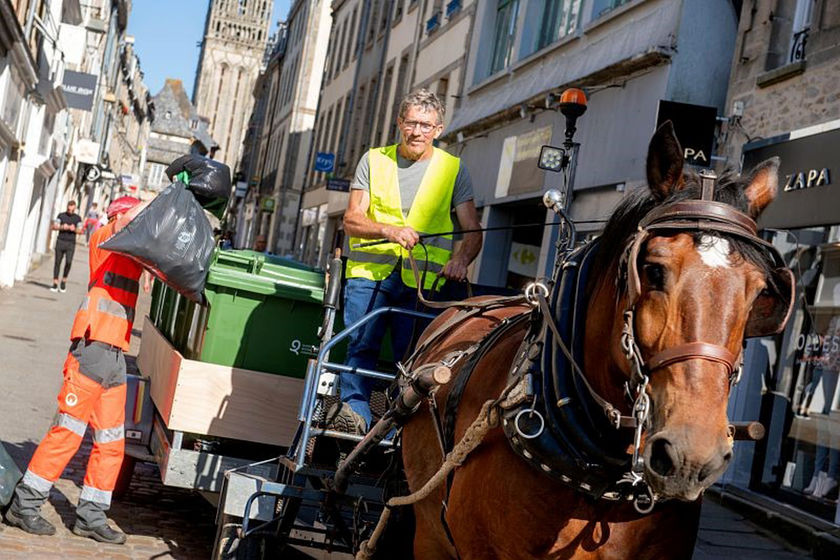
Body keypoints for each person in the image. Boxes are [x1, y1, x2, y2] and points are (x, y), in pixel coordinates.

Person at [330, 89, 482, 433]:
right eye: (411, 123)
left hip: (423, 284)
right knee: (361, 347)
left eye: (425, 125)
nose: (417, 132)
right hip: (369, 275)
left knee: (413, 359)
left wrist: (460, 260)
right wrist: (389, 229)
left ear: (439, 129)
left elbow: (473, 232)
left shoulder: (454, 170)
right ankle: (355, 420)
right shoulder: (374, 160)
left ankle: (397, 429)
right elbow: (352, 220)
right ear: (399, 123)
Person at [5, 196, 148, 544]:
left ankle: (92, 516)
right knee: (67, 432)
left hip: (116, 357)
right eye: (134, 212)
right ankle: (24, 505)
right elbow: (131, 222)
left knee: (112, 442)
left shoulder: (136, 257)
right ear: (119, 216)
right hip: (91, 348)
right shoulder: (104, 237)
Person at [51, 201, 83, 292]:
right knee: (57, 262)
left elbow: (80, 231)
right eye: (69, 209)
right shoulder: (61, 216)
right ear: (67, 207)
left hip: (71, 243)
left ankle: (64, 281)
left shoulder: (77, 218)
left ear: (75, 208)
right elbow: (54, 227)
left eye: (72, 210)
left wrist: (74, 229)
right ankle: (55, 282)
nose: (70, 211)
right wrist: (62, 227)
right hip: (60, 241)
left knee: (68, 262)